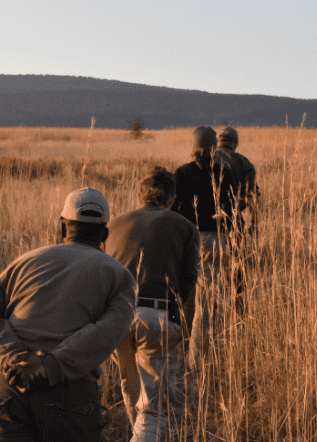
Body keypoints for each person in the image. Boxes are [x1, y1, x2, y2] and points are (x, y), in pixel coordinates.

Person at [0, 187, 136, 442]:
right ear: (104, 234)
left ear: (62, 227)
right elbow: (107, 332)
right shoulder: (120, 275)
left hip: (5, 389)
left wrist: (12, 360)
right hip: (67, 397)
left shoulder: (23, 261)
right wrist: (48, 368)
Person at [105, 167, 200, 442]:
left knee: (130, 387)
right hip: (158, 316)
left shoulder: (112, 225)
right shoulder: (185, 227)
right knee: (154, 408)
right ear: (172, 197)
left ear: (140, 194)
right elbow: (188, 285)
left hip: (117, 317)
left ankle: (141, 434)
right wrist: (185, 331)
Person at [170, 126, 234, 367]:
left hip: (186, 239)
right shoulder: (223, 174)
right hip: (214, 240)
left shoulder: (182, 173)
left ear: (193, 147)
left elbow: (172, 209)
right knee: (204, 306)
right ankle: (196, 360)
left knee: (182, 297)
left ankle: (176, 356)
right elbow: (230, 210)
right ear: (213, 148)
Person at [213, 126, 260, 234]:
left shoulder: (205, 158)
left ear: (217, 142)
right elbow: (252, 197)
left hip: (203, 223)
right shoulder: (244, 163)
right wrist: (254, 224)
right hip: (233, 222)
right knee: (236, 250)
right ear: (235, 144)